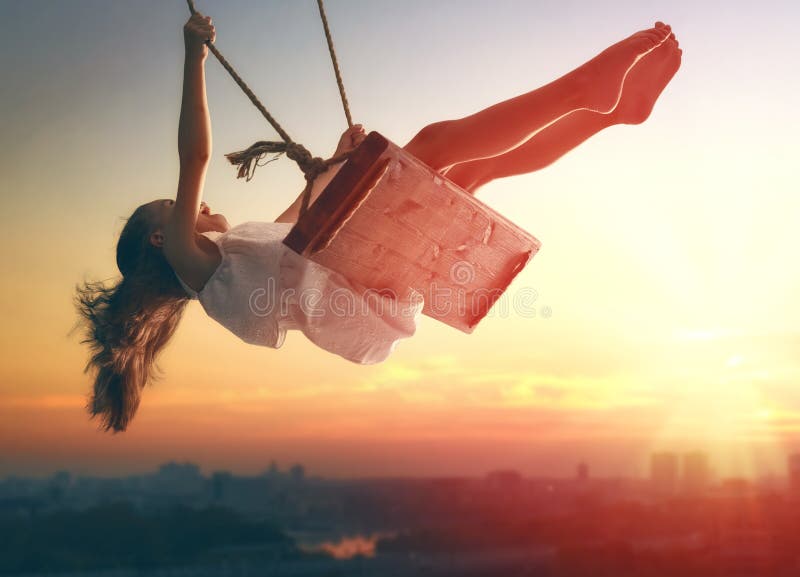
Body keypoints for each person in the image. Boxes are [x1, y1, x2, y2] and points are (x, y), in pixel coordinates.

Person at [75, 13, 681, 432]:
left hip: (361, 278)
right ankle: (582, 90)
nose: (195, 209)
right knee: (437, 144)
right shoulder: (192, 262)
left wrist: (336, 160)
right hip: (355, 277)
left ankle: (609, 114)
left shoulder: (223, 263)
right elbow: (195, 156)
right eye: (178, 210)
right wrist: (193, 56)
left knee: (470, 176)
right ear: (163, 234)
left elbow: (295, 229)